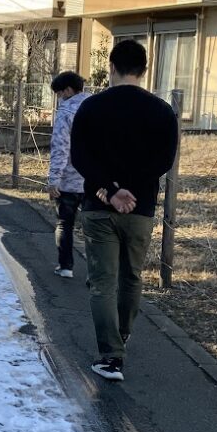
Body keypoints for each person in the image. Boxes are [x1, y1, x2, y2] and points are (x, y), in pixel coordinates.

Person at [70, 39, 179, 382]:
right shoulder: (162, 111)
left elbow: (80, 157)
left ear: (111, 68)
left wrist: (111, 189)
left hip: (99, 206)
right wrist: (131, 189)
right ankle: (124, 333)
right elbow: (164, 160)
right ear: (144, 70)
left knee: (102, 281)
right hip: (140, 208)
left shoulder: (91, 107)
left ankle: (111, 357)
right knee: (131, 276)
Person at [47, 71, 88, 279]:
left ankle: (66, 267)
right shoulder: (96, 107)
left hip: (69, 180)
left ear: (68, 90)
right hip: (95, 180)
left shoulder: (66, 113)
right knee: (95, 229)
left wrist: (54, 179)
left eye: (59, 93)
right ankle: (97, 273)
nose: (59, 97)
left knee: (65, 223)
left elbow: (60, 148)